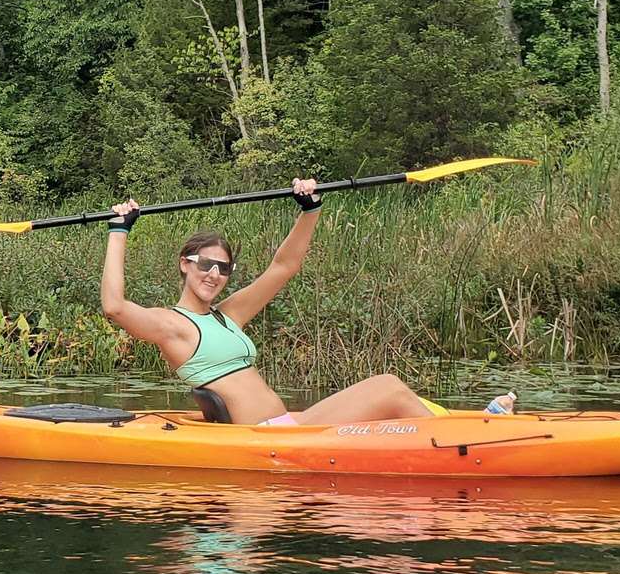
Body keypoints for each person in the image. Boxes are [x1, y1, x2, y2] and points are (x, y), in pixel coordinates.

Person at [99, 177, 446, 426]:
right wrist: (119, 231)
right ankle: (453, 448)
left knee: (391, 390)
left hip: (287, 427)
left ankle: (453, 433)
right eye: (206, 265)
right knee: (387, 386)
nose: (214, 275)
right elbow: (114, 306)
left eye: (223, 268)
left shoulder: (227, 315)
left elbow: (284, 267)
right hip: (265, 438)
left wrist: (310, 210)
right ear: (185, 264)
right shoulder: (172, 325)